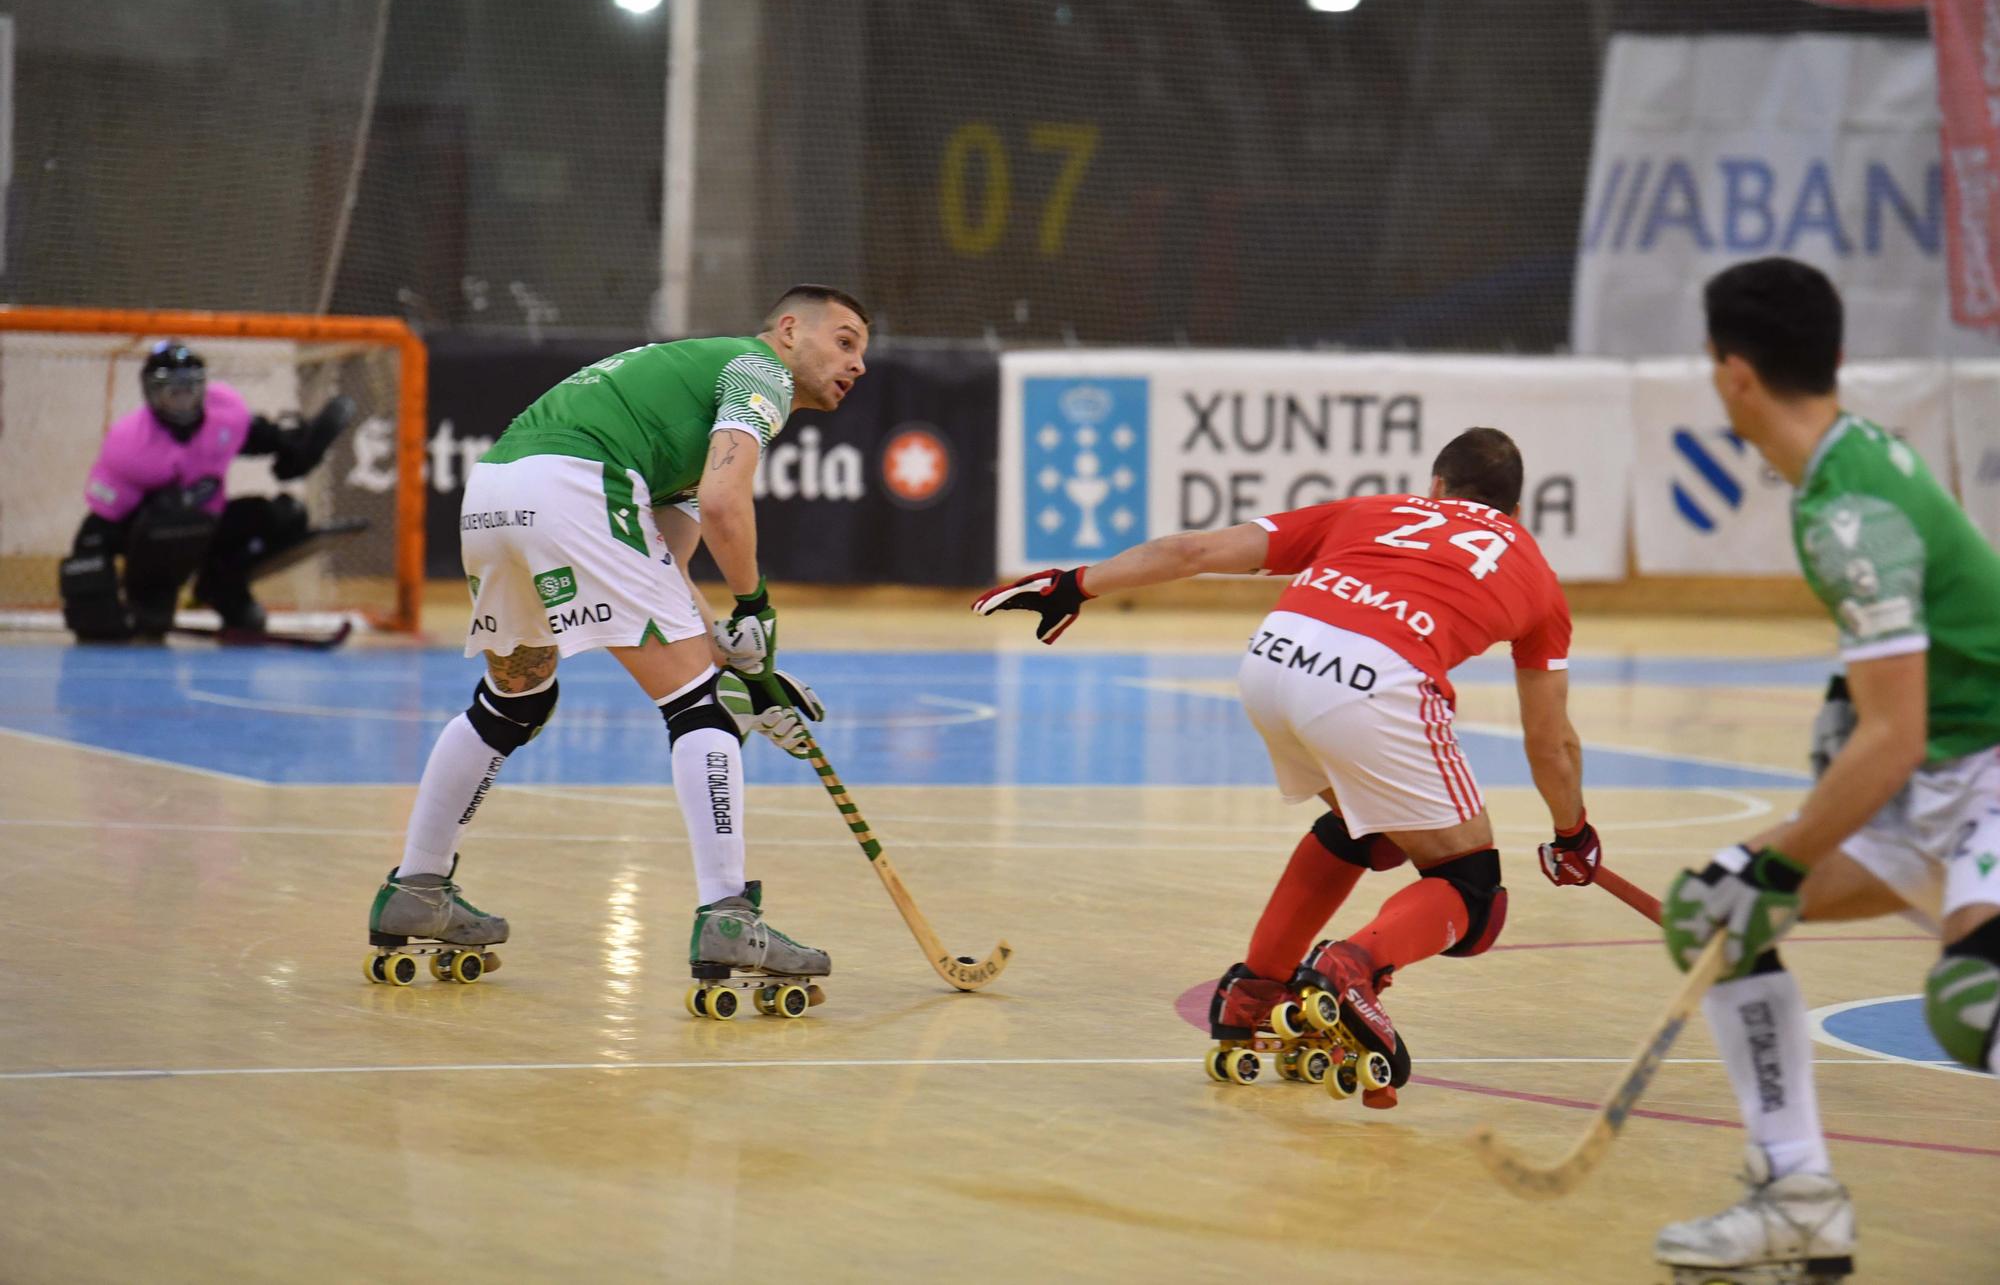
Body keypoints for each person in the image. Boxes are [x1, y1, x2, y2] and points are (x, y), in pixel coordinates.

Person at [975, 427, 1603, 1106]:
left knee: (1374, 828)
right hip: (1376, 681)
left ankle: (1257, 989)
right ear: (1513, 510)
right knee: (1472, 890)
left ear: (1438, 488)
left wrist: (1076, 583)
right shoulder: (1536, 573)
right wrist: (1572, 835)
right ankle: (1350, 968)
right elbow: (1550, 744)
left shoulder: (1376, 510)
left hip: (1274, 659)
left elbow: (1194, 550)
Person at [365, 285, 871, 999]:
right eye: (845, 341)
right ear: (789, 331)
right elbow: (729, 502)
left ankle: (416, 888)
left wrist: (733, 656)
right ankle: (729, 916)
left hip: (498, 491)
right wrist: (756, 607)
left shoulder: (688, 402)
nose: (857, 365)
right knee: (697, 710)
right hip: (578, 483)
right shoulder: (760, 372)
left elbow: (665, 562)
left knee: (515, 701)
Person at [1653, 257, 2000, 1283]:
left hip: (1980, 769)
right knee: (1708, 912)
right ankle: (1796, 1195)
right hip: (1941, 776)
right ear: (1833, 358)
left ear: (1730, 375)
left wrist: (1780, 864)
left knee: (1972, 999)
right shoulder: (1852, 472)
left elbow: (1888, 736)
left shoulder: (1844, 509)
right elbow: (1889, 710)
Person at [59, 341, 355, 640]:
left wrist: (303, 447)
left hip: (209, 527)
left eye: (189, 387)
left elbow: (270, 441)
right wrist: (95, 602)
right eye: (169, 389)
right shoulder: (128, 446)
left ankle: (223, 588)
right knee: (168, 515)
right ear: (149, 391)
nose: (181, 398)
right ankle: (149, 602)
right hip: (152, 544)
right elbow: (96, 531)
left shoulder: (226, 413)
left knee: (287, 516)